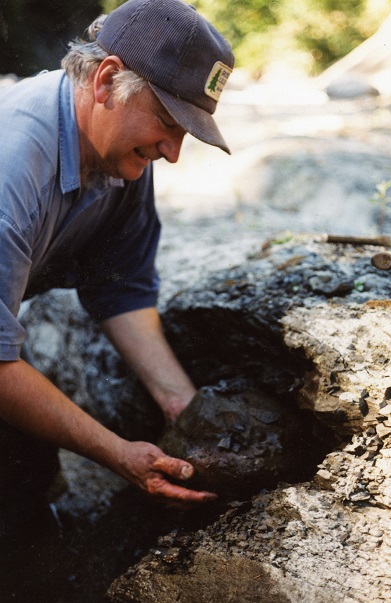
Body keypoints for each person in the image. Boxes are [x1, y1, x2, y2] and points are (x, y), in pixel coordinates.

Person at [0, 0, 235, 538]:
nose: (173, 153)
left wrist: (183, 405)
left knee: (29, 470)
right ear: (107, 80)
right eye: (170, 121)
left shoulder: (119, 155)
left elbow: (121, 288)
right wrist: (118, 454)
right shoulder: (12, 170)